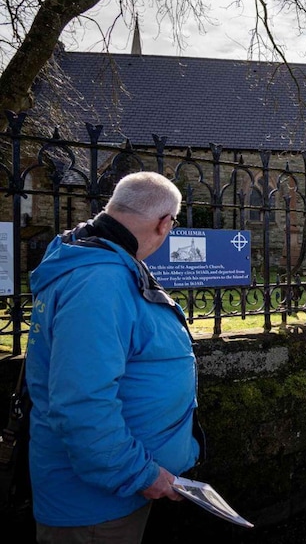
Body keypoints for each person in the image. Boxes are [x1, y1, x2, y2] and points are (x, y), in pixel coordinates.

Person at [26, 172, 202, 543]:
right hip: (95, 507)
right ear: (164, 222)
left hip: (112, 494)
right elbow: (81, 404)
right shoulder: (99, 281)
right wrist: (141, 476)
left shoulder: (104, 263)